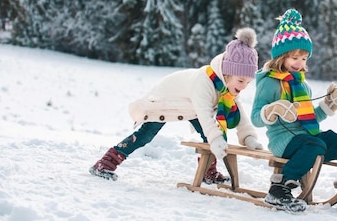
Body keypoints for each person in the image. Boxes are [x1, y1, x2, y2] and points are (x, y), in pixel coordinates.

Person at [90, 27, 263, 183]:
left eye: (248, 82)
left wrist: (249, 137)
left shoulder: (227, 87)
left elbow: (239, 111)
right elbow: (204, 114)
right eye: (241, 80)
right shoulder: (204, 81)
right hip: (164, 100)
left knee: (207, 134)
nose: (243, 87)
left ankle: (208, 172)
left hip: (188, 105)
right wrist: (216, 139)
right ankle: (105, 163)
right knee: (146, 135)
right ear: (227, 73)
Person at [251, 9, 337, 212]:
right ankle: (278, 190)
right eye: (295, 58)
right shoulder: (269, 83)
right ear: (281, 56)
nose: (300, 63)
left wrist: (329, 104)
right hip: (283, 141)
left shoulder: (302, 85)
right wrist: (273, 109)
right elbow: (256, 118)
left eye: (304, 58)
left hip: (308, 138)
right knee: (314, 145)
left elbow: (309, 118)